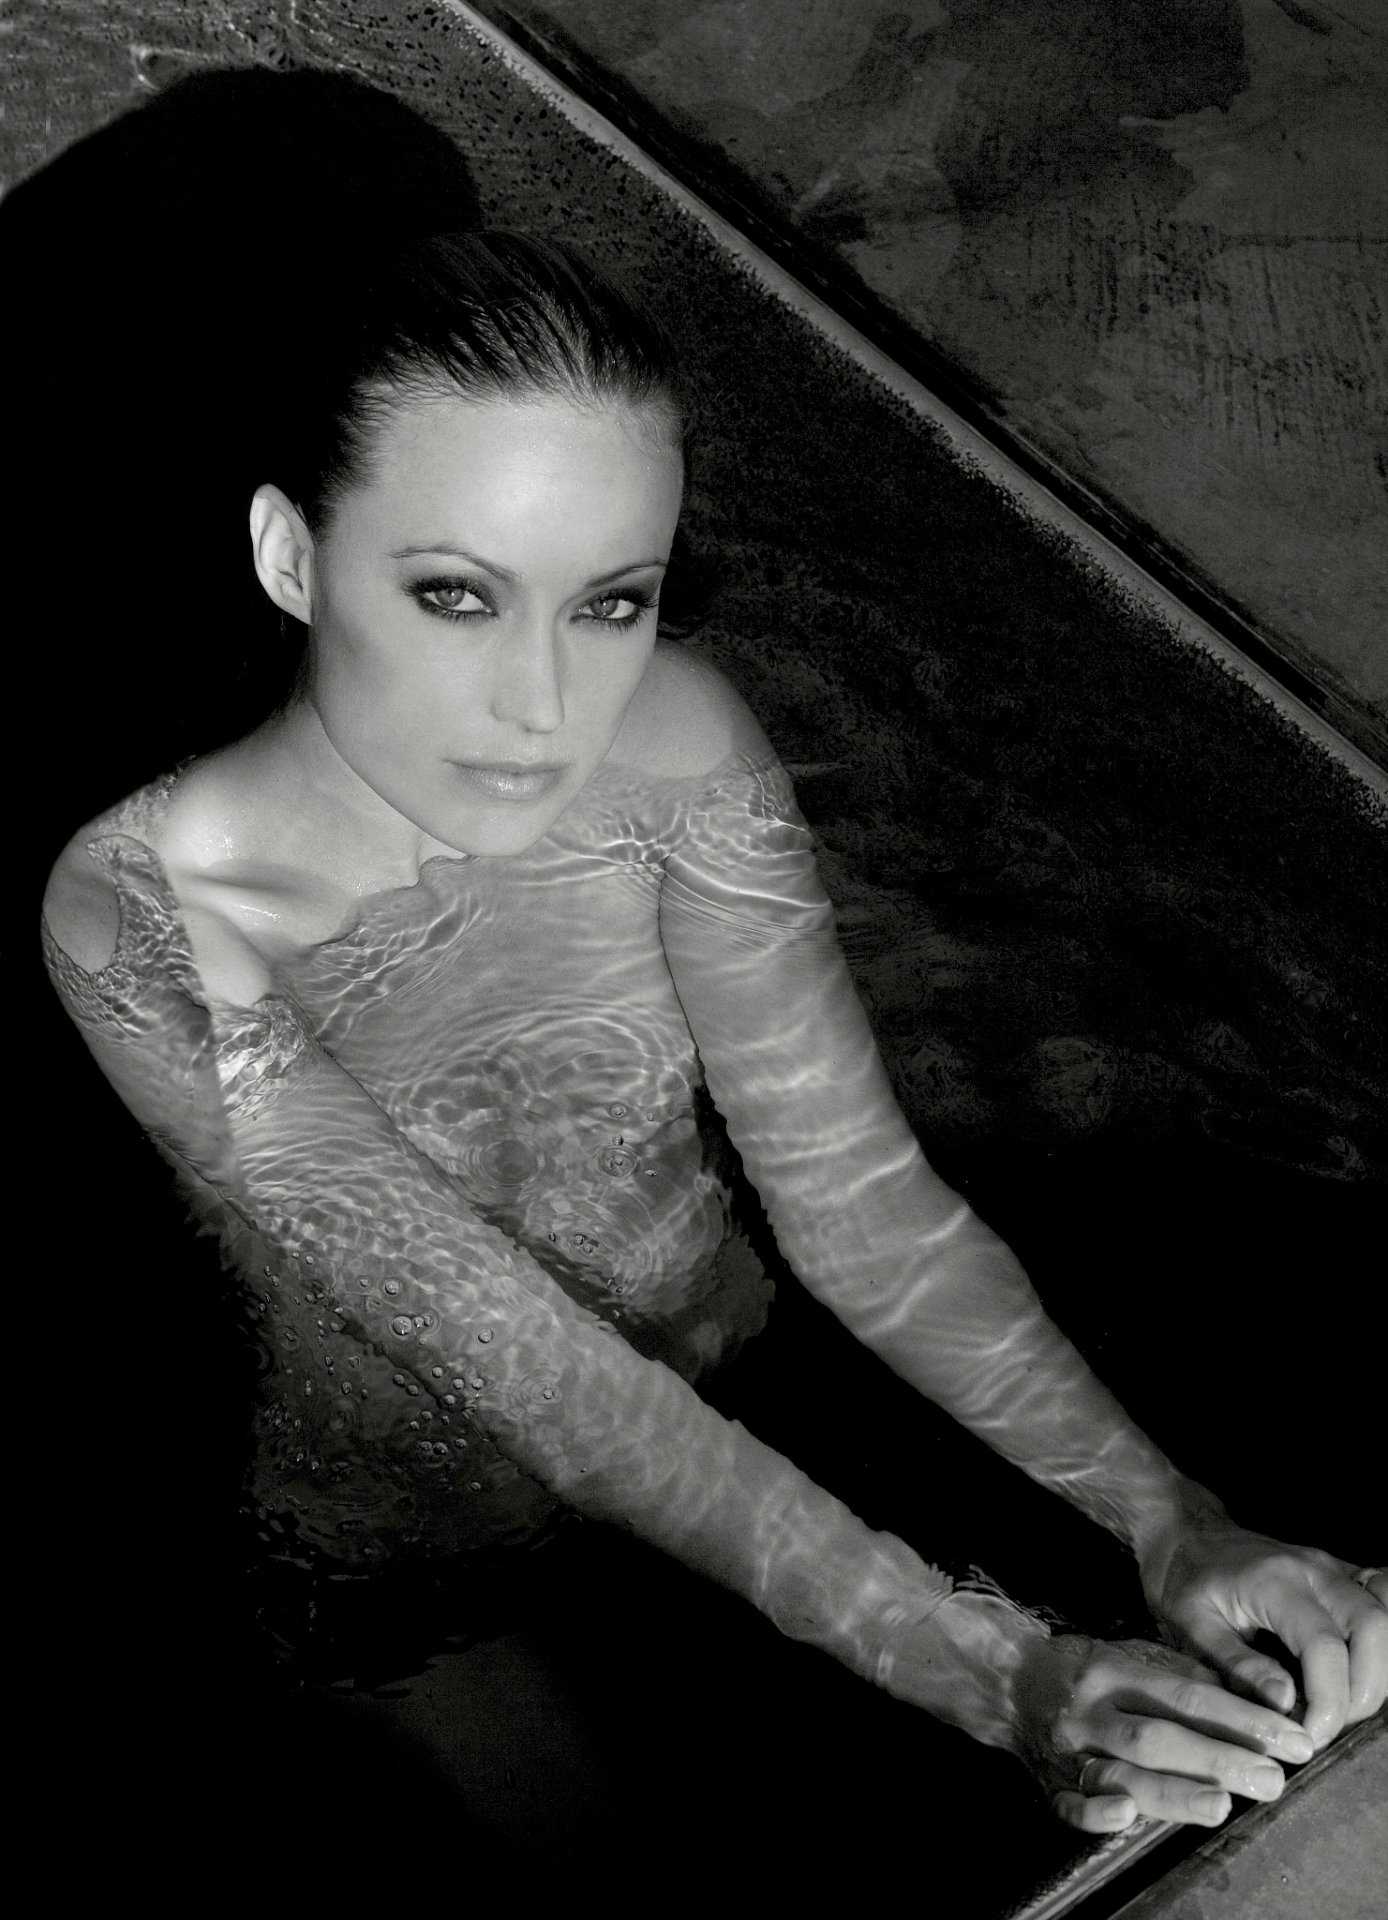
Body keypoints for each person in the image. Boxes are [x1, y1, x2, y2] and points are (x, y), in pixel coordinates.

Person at [40, 230, 1384, 1843]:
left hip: (747, 1371)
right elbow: (539, 1376)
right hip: (429, 1542)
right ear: (290, 554)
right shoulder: (137, 914)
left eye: (610, 603)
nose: (544, 704)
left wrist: (1170, 1520)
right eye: (456, 595)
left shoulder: (675, 737)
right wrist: (1000, 1674)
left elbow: (857, 1200)